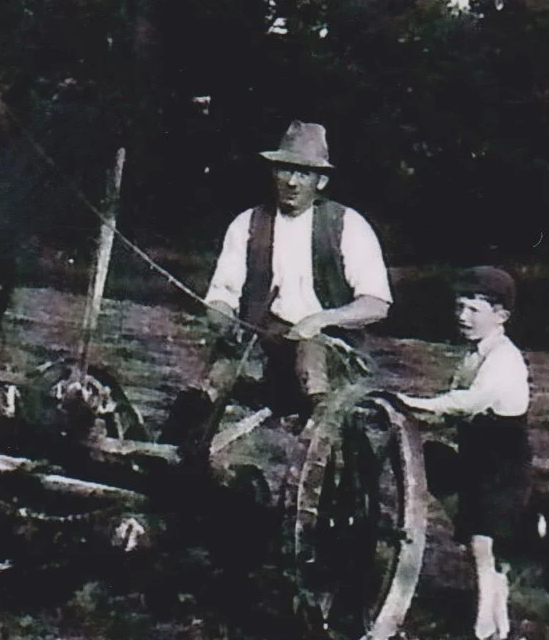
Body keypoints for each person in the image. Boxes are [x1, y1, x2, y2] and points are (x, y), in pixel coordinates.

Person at [165, 121, 393, 447]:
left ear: (322, 181)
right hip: (267, 345)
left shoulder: (348, 226)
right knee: (217, 371)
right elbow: (222, 294)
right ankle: (175, 452)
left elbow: (376, 304)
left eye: (303, 173)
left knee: (310, 354)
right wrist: (222, 319)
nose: (291, 181)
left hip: (332, 354)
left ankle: (319, 447)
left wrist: (320, 320)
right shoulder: (248, 223)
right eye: (284, 170)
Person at [398, 267, 531, 640]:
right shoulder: (473, 355)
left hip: (502, 467)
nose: (463, 317)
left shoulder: (505, 359)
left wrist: (415, 403)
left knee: (485, 548)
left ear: (501, 316)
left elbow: (470, 401)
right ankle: (491, 628)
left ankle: (489, 633)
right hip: (478, 460)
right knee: (480, 545)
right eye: (459, 307)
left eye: (474, 310)